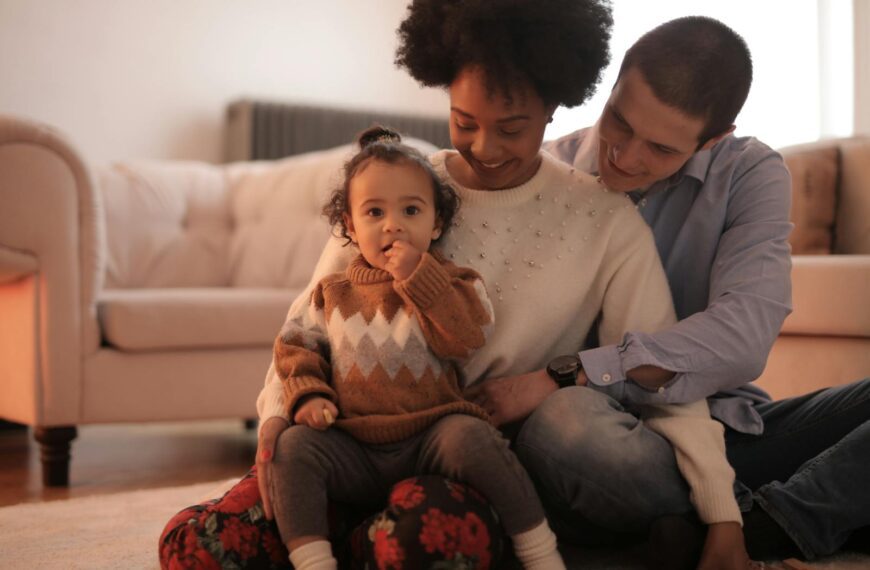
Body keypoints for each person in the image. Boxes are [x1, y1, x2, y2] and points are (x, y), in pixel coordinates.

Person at [255, 2, 755, 568]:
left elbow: (658, 375)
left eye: (512, 128)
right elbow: (307, 322)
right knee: (205, 543)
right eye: (463, 121)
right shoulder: (401, 189)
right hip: (355, 440)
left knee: (417, 543)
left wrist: (723, 517)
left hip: (481, 463)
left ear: (553, 107)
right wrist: (275, 418)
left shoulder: (607, 220)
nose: (485, 147)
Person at [458, 15, 870, 563]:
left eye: (660, 148)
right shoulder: (543, 170)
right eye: (619, 123)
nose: (625, 158)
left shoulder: (747, 173)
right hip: (590, 443)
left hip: (728, 437)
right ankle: (814, 509)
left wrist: (572, 371)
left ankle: (766, 524)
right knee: (567, 426)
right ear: (611, 88)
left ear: (712, 139)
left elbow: (745, 336)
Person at [268, 125, 566, 570]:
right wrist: (308, 395)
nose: (393, 225)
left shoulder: (453, 282)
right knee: (293, 449)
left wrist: (417, 277)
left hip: (431, 436)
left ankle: (540, 552)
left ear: (437, 222)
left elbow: (464, 337)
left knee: (475, 437)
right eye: (373, 213)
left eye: (411, 210)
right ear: (349, 224)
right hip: (352, 442)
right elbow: (295, 347)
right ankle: (314, 561)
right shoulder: (332, 293)